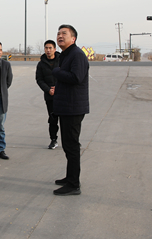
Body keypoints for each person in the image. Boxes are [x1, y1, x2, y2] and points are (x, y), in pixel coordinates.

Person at [52, 24, 89, 196]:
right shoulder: (66, 55)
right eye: (58, 33)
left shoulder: (77, 55)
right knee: (67, 145)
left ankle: (74, 185)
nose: (60, 36)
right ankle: (70, 177)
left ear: (73, 39)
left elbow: (76, 77)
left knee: (72, 145)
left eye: (64, 34)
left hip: (73, 108)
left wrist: (57, 72)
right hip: (66, 107)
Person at [35, 39, 60, 149]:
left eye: (50, 48)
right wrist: (48, 90)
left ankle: (70, 141)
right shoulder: (41, 64)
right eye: (46, 48)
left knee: (66, 119)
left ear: (55, 49)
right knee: (52, 119)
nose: (48, 50)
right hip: (50, 96)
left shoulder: (62, 61)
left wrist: (58, 88)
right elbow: (39, 79)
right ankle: (53, 140)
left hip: (63, 95)